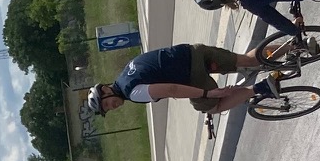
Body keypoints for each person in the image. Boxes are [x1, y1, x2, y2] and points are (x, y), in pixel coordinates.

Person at [87, 43, 274, 119]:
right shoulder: (126, 71)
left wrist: (207, 94)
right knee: (249, 59)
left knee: (211, 107)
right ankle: (296, 44)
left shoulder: (132, 92)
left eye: (108, 104)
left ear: (105, 90)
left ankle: (259, 88)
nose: (113, 107)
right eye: (109, 109)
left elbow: (172, 89)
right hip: (193, 50)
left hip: (192, 74)